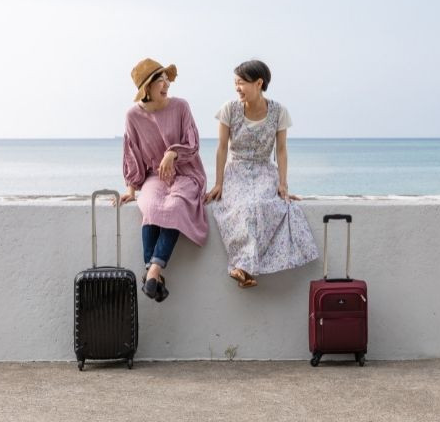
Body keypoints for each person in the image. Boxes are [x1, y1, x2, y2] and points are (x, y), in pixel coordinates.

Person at [206, 60, 318, 288]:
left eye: (241, 83)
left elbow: (281, 150)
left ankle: (243, 268)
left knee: (265, 206)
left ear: (259, 83)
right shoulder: (230, 109)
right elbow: (222, 148)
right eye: (235, 82)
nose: (237, 88)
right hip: (236, 170)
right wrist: (219, 183)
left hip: (265, 169)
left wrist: (283, 183)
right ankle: (240, 266)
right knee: (243, 208)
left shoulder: (278, 111)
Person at [119, 58, 208, 301]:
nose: (166, 84)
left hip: (187, 172)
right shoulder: (133, 116)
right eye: (160, 80)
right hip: (154, 176)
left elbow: (193, 144)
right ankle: (154, 277)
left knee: (176, 206)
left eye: (167, 79)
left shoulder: (181, 106)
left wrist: (172, 153)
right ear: (146, 87)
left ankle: (152, 270)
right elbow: (132, 153)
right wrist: (131, 189)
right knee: (150, 206)